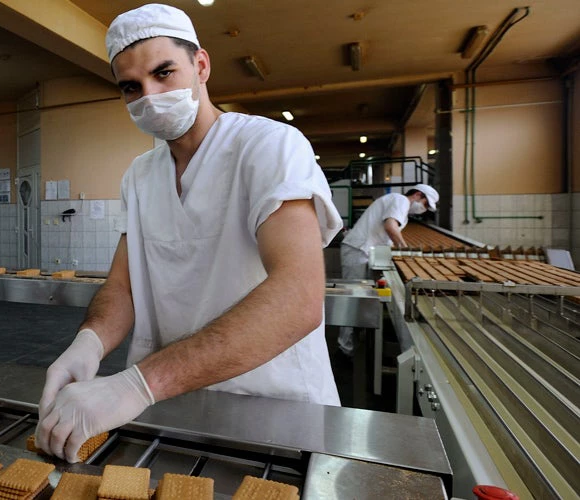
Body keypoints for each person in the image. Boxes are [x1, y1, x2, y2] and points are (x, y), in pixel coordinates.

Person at [34, 3, 344, 463]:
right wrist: (89, 343)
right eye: (131, 88)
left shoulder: (268, 147)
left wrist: (137, 383)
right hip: (174, 408)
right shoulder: (140, 175)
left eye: (164, 73)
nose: (150, 95)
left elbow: (299, 299)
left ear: (201, 65)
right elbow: (123, 286)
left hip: (275, 410)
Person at [337, 184, 438, 355]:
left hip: (364, 252)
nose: (423, 209)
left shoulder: (399, 204)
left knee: (360, 299)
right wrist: (405, 250)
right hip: (358, 251)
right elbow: (390, 227)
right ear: (419, 195)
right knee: (353, 300)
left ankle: (353, 343)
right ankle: (344, 348)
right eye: (425, 204)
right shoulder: (400, 200)